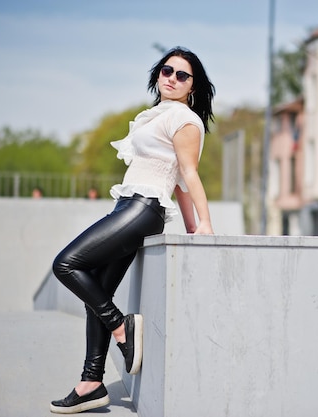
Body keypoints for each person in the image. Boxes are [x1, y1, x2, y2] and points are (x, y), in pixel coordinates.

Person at [50, 46, 215, 414]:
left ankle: (121, 328)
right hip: (128, 206)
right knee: (99, 288)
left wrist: (202, 224)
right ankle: (92, 383)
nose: (171, 78)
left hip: (144, 208)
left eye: (182, 75)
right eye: (166, 70)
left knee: (66, 264)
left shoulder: (185, 120)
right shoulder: (154, 115)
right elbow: (176, 179)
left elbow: (186, 177)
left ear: (193, 86)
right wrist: (189, 224)